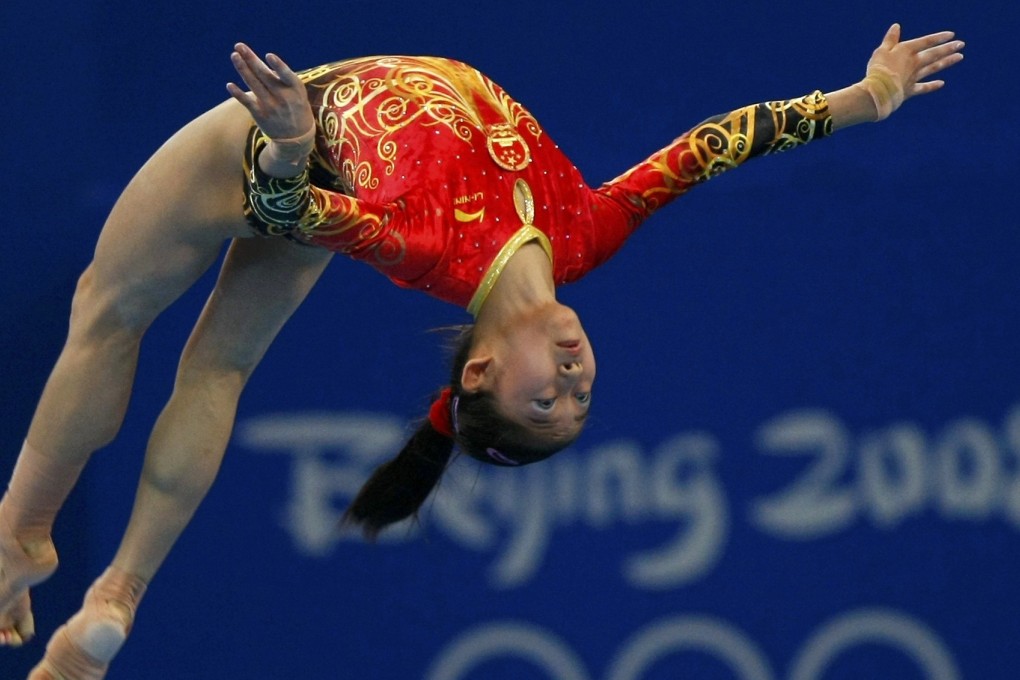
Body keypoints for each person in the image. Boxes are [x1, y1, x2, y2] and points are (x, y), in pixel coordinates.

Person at [0, 23, 962, 679]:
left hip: (266, 147)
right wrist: (865, 98)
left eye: (547, 402)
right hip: (310, 147)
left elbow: (295, 210)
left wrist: (289, 150)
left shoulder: (426, 244)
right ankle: (115, 595)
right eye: (581, 402)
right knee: (217, 368)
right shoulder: (584, 234)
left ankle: (23, 528)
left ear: (481, 373)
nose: (576, 383)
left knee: (108, 310)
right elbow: (710, 146)